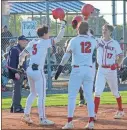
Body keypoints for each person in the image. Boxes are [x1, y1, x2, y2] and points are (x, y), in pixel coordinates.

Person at [18, 20, 66, 125]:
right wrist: (63, 26)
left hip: (29, 70)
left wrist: (20, 66)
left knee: (33, 93)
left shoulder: (32, 42)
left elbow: (21, 55)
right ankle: (42, 119)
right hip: (38, 71)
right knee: (42, 95)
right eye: (48, 32)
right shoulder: (45, 42)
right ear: (44, 34)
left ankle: (26, 115)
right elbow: (58, 38)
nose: (49, 34)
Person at [55, 22, 97, 129]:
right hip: (88, 69)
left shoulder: (74, 40)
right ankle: (91, 121)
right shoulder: (92, 40)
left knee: (72, 96)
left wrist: (60, 67)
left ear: (78, 29)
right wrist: (88, 33)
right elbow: (95, 41)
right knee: (89, 96)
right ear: (87, 30)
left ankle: (69, 122)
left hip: (77, 70)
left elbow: (66, 56)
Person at [94, 24, 124, 120]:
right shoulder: (98, 41)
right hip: (101, 69)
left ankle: (120, 111)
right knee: (97, 91)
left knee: (115, 92)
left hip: (111, 70)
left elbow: (121, 56)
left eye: (106, 30)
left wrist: (117, 64)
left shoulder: (115, 43)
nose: (104, 31)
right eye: (103, 29)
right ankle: (94, 114)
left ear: (110, 31)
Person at [7, 35, 28, 113]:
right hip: (16, 72)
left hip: (20, 72)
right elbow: (11, 62)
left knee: (17, 90)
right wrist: (15, 72)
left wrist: (25, 74)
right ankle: (17, 107)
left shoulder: (22, 49)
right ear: (19, 41)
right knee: (17, 90)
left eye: (25, 41)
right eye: (23, 40)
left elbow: (24, 63)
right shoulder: (15, 49)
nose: (25, 42)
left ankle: (14, 107)